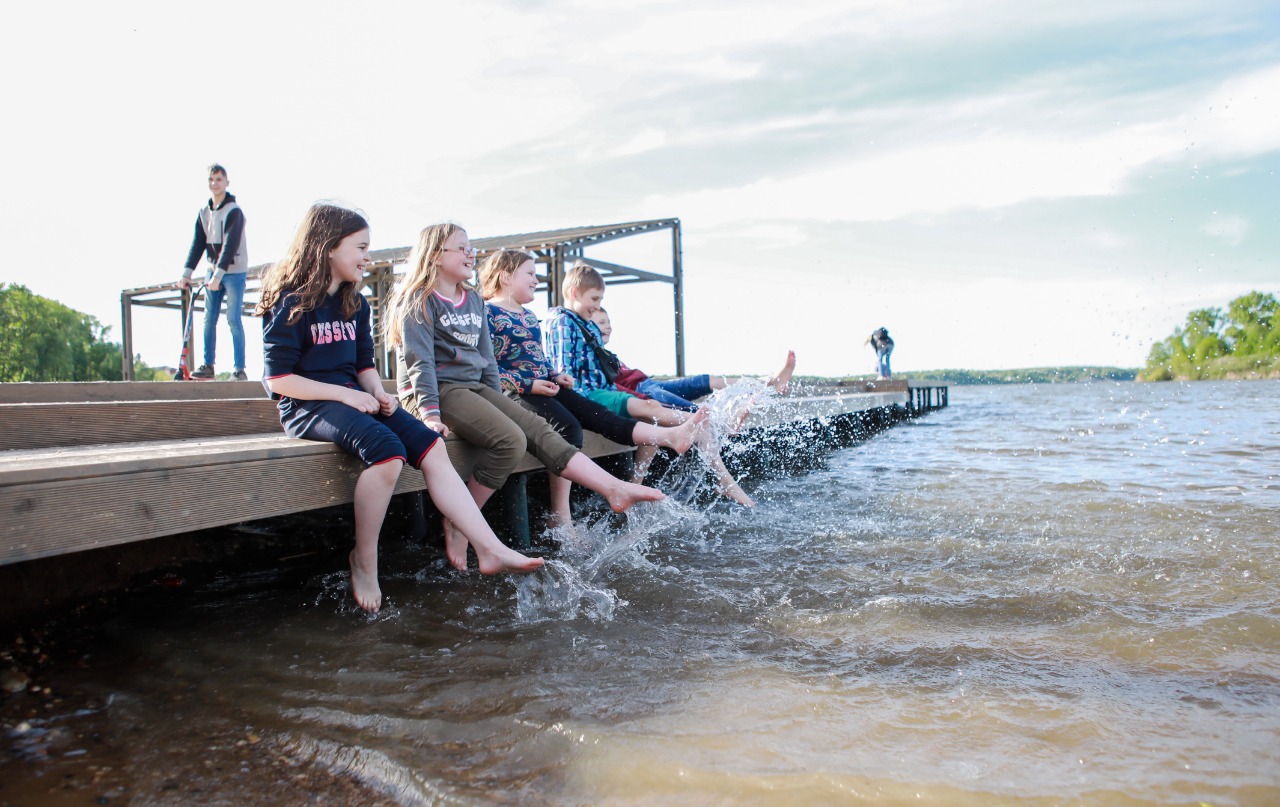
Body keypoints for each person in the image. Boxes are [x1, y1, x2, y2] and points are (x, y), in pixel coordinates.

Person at [257, 204, 543, 614]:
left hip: (356, 399)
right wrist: (348, 395)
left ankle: (489, 546)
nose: (368, 257)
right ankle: (364, 560)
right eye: (361, 247)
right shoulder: (290, 301)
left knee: (431, 446)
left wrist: (377, 391)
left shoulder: (354, 302)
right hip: (308, 405)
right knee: (389, 455)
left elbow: (362, 366)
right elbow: (278, 380)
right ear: (327, 247)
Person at [384, 224, 666, 567]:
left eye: (471, 247)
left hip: (476, 387)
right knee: (511, 441)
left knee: (538, 428)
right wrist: (429, 414)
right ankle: (460, 523)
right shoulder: (420, 299)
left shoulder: (472, 298)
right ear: (435, 255)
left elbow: (487, 359)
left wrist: (497, 395)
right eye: (462, 248)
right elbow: (419, 364)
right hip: (437, 391)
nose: (471, 253)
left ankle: (612, 488)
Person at [479, 248, 706, 526]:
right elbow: (485, 367)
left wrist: (555, 374)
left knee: (597, 414)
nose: (536, 280)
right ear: (505, 276)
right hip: (516, 393)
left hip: (545, 385)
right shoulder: (487, 313)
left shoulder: (528, 316)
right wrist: (529, 384)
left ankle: (670, 437)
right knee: (570, 427)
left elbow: (537, 358)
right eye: (530, 273)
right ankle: (560, 514)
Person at [592, 306, 796, 410]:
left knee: (706, 381)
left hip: (649, 384)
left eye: (608, 321)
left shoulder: (608, 354)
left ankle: (769, 381)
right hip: (643, 393)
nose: (608, 326)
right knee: (696, 413)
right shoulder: (591, 356)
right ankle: (727, 420)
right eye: (602, 322)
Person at [179, 163, 249, 381]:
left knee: (233, 319)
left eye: (219, 179)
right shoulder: (204, 213)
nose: (214, 183)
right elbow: (197, 243)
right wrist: (186, 273)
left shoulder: (234, 212)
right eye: (211, 180)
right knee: (208, 319)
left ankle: (239, 369)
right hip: (213, 272)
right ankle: (208, 365)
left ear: (226, 183)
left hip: (234, 271)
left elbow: (230, 245)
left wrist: (218, 276)